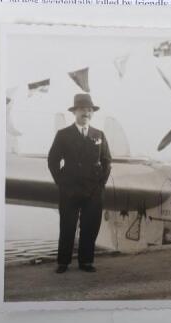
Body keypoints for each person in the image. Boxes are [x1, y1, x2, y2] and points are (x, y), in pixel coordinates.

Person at [48, 93, 112, 274]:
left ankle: (86, 261)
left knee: (90, 227)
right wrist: (62, 182)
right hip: (70, 190)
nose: (87, 113)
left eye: (90, 110)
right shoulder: (63, 135)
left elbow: (107, 161)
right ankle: (63, 262)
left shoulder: (99, 135)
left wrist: (101, 184)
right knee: (67, 226)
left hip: (94, 191)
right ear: (75, 112)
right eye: (83, 109)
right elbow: (53, 160)